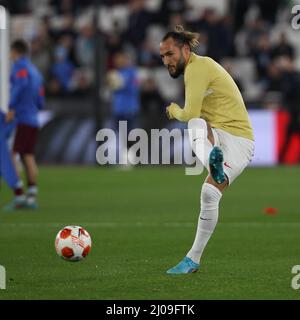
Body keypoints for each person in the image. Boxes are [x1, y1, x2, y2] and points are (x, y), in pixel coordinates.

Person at [159, 25, 254, 274]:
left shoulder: (197, 68)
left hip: (238, 141)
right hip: (218, 133)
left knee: (193, 120)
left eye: (170, 54)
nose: (166, 60)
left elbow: (189, 112)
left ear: (185, 49)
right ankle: (192, 260)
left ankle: (212, 162)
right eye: (163, 56)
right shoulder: (197, 69)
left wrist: (173, 110)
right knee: (209, 193)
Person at [4, 40, 45, 210]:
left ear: (15, 52)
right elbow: (41, 97)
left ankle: (19, 195)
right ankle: (32, 195)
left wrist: (11, 106)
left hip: (21, 117)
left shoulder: (20, 68)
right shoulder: (35, 70)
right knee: (28, 155)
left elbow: (20, 86)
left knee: (11, 155)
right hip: (34, 117)